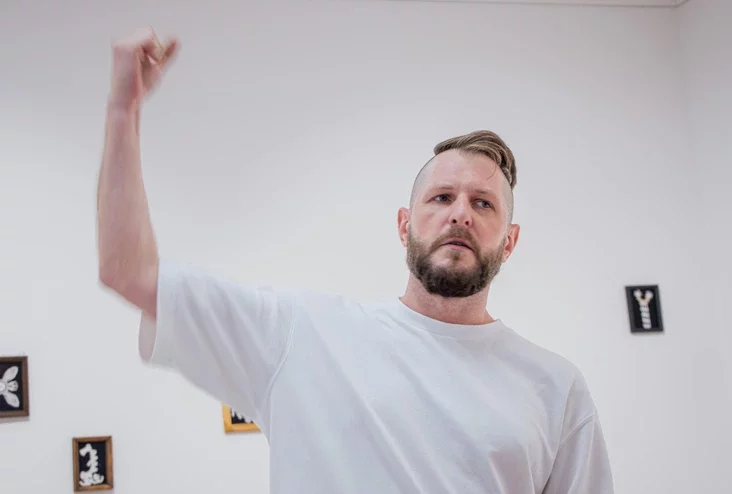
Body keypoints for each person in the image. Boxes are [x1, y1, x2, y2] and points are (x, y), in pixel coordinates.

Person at [97, 27, 614, 494]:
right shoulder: (302, 335)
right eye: (441, 198)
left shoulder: (556, 388)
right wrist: (123, 112)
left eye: (483, 204)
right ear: (404, 225)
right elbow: (130, 272)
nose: (460, 213)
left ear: (510, 241)